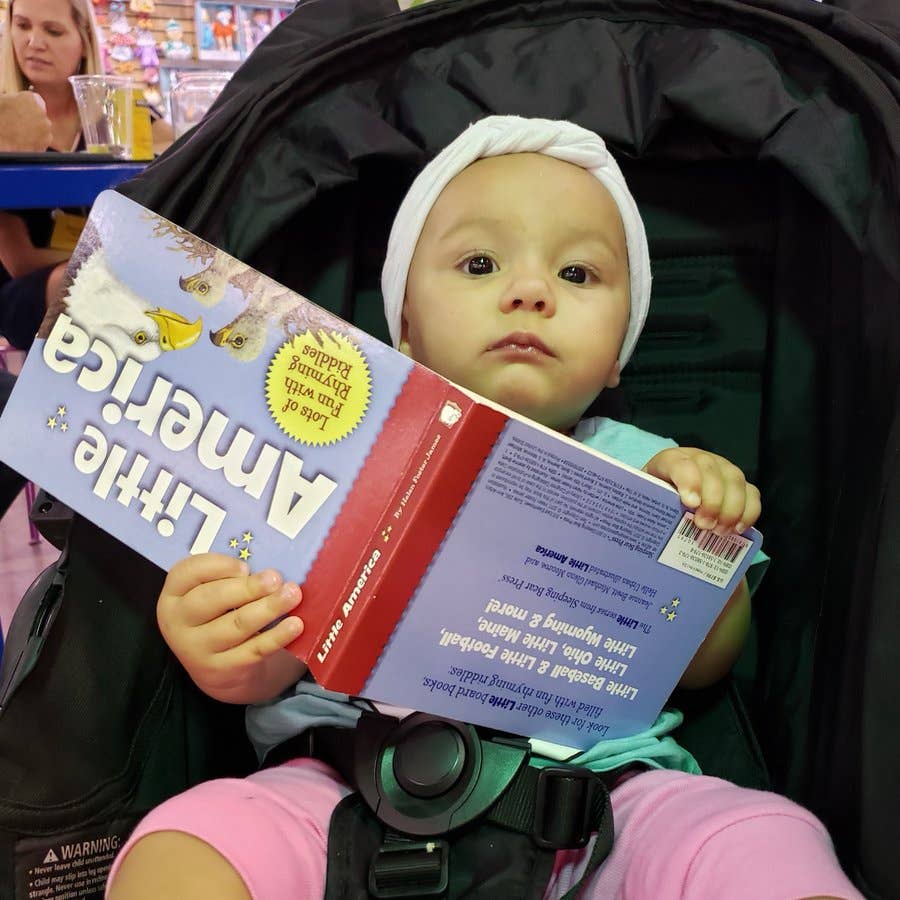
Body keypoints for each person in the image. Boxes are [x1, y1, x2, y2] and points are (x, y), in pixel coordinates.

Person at [105, 117, 862, 899]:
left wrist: (709, 547)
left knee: (758, 840)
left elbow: (704, 669)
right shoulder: (323, 454)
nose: (529, 291)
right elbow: (272, 669)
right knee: (190, 840)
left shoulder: (653, 470)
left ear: (617, 356)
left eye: (577, 275)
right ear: (405, 326)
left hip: (603, 803)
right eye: (479, 262)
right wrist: (224, 648)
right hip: (342, 786)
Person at [0, 0, 173, 352]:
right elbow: (18, 261)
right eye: (22, 26)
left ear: (84, 40)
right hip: (26, 293)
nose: (33, 42)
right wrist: (115, 260)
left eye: (53, 30)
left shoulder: (124, 114)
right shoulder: (7, 122)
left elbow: (177, 150)